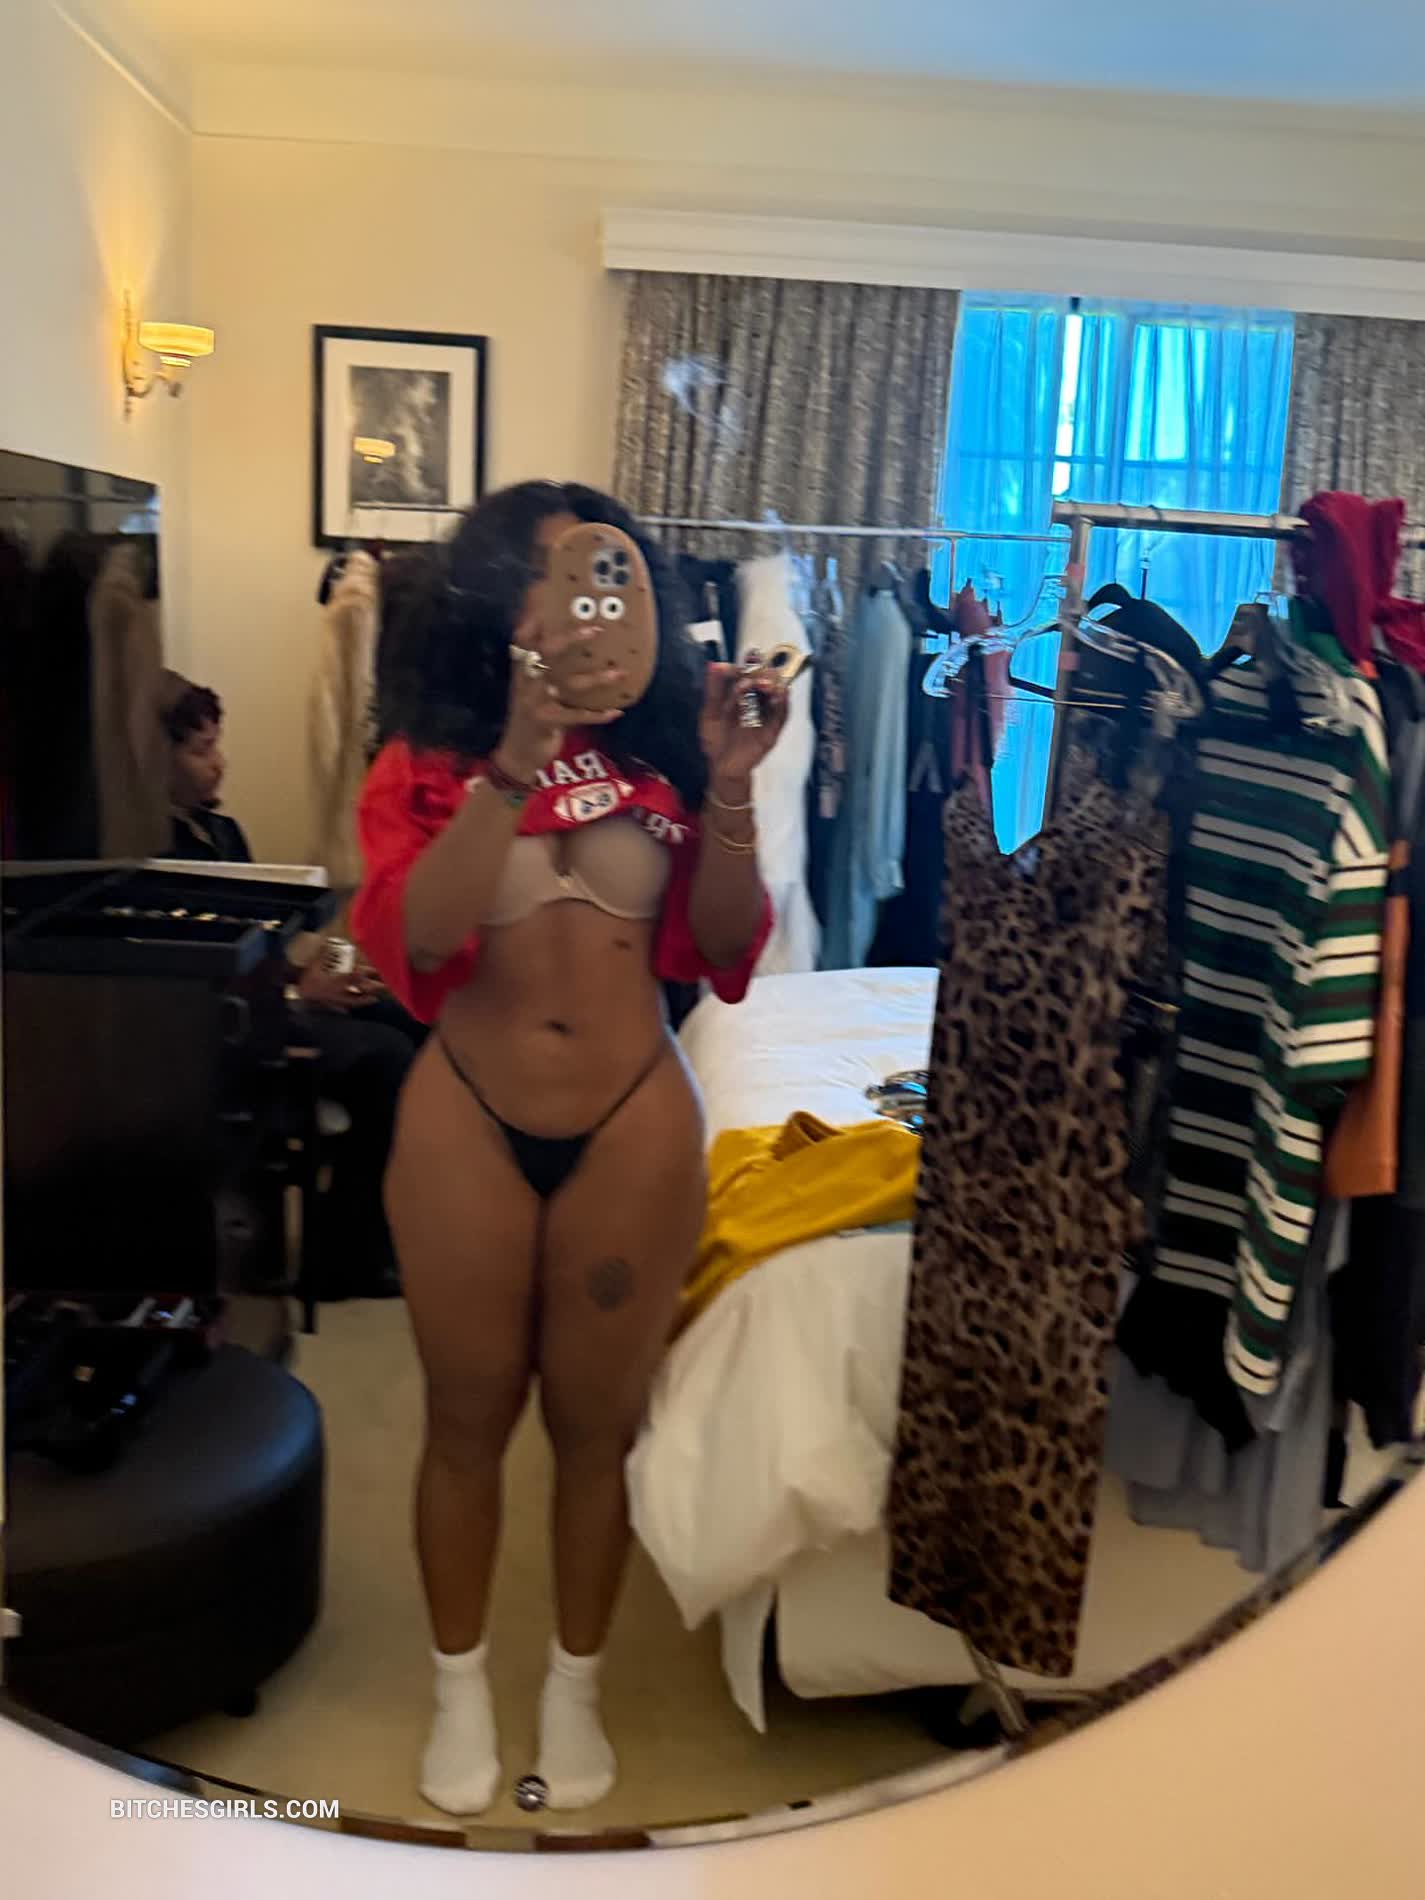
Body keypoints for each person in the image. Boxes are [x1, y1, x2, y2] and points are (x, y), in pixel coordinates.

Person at [351, 481, 786, 1816]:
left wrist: (728, 787)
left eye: (608, 577)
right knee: (464, 1419)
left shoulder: (668, 757)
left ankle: (575, 1689)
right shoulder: (426, 762)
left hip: (630, 1121)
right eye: (552, 579)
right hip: (466, 1116)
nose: (584, 607)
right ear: (498, 603)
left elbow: (725, 951)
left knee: (598, 1430)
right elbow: (419, 943)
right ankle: (460, 1687)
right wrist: (512, 762)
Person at [158, 671, 423, 1298]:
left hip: (270, 1001)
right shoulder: (158, 850)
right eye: (201, 751)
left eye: (218, 746)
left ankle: (386, 1228)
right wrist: (301, 996)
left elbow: (263, 941)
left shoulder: (223, 834)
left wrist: (315, 974)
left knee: (412, 1018)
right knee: (386, 1061)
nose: (219, 764)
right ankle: (341, 1256)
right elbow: (199, 974)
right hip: (226, 1030)